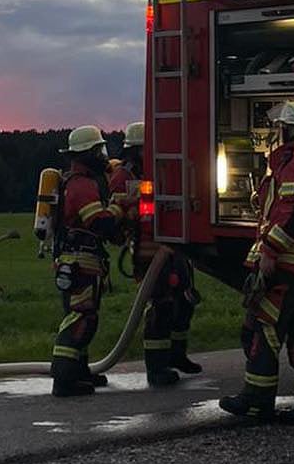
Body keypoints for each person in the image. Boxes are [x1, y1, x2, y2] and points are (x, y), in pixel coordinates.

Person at [220, 99, 294, 429]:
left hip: (291, 262)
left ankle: (257, 402)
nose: (279, 133)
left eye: (282, 128)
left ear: (292, 130)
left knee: (265, 329)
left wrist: (271, 251)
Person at [110, 121, 203, 387]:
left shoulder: (158, 167)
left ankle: (177, 355)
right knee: (161, 305)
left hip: (173, 245)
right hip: (148, 249)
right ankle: (156, 367)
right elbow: (121, 214)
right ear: (137, 149)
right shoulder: (123, 177)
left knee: (184, 300)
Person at [50, 125, 123, 398]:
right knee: (82, 318)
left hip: (79, 261)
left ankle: (78, 372)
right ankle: (64, 379)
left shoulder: (80, 181)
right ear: (88, 154)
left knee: (82, 315)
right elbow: (100, 223)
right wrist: (120, 204)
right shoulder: (81, 185)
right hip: (80, 261)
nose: (103, 155)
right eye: (98, 150)